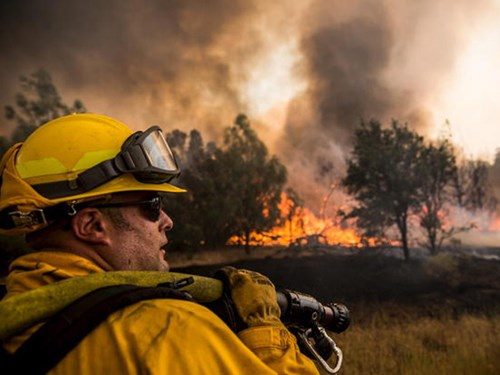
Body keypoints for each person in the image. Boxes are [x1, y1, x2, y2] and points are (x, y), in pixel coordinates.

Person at [0, 113, 319, 374]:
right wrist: (265, 332)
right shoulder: (167, 330)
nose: (168, 221)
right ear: (92, 225)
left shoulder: (13, 315)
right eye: (151, 206)